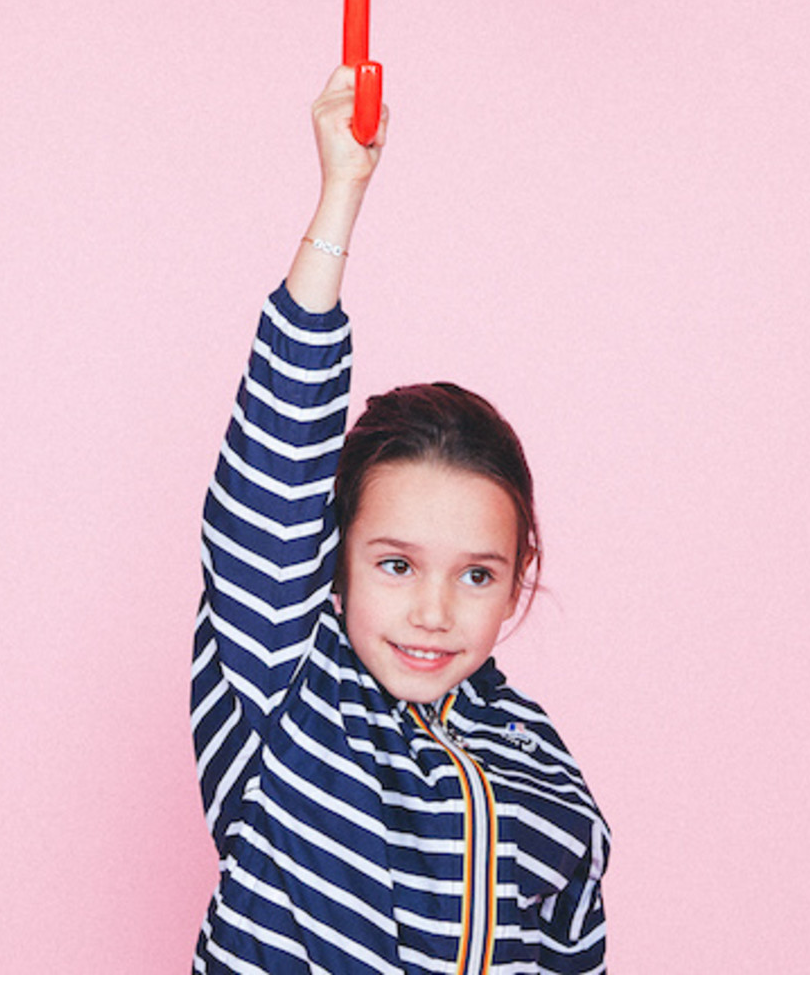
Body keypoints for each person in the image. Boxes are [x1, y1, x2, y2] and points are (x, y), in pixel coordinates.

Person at [191, 67, 610, 974]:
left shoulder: (542, 774)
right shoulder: (289, 690)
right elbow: (272, 469)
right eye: (394, 564)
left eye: (476, 574)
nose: (433, 612)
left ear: (515, 580)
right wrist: (341, 194)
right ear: (331, 558)